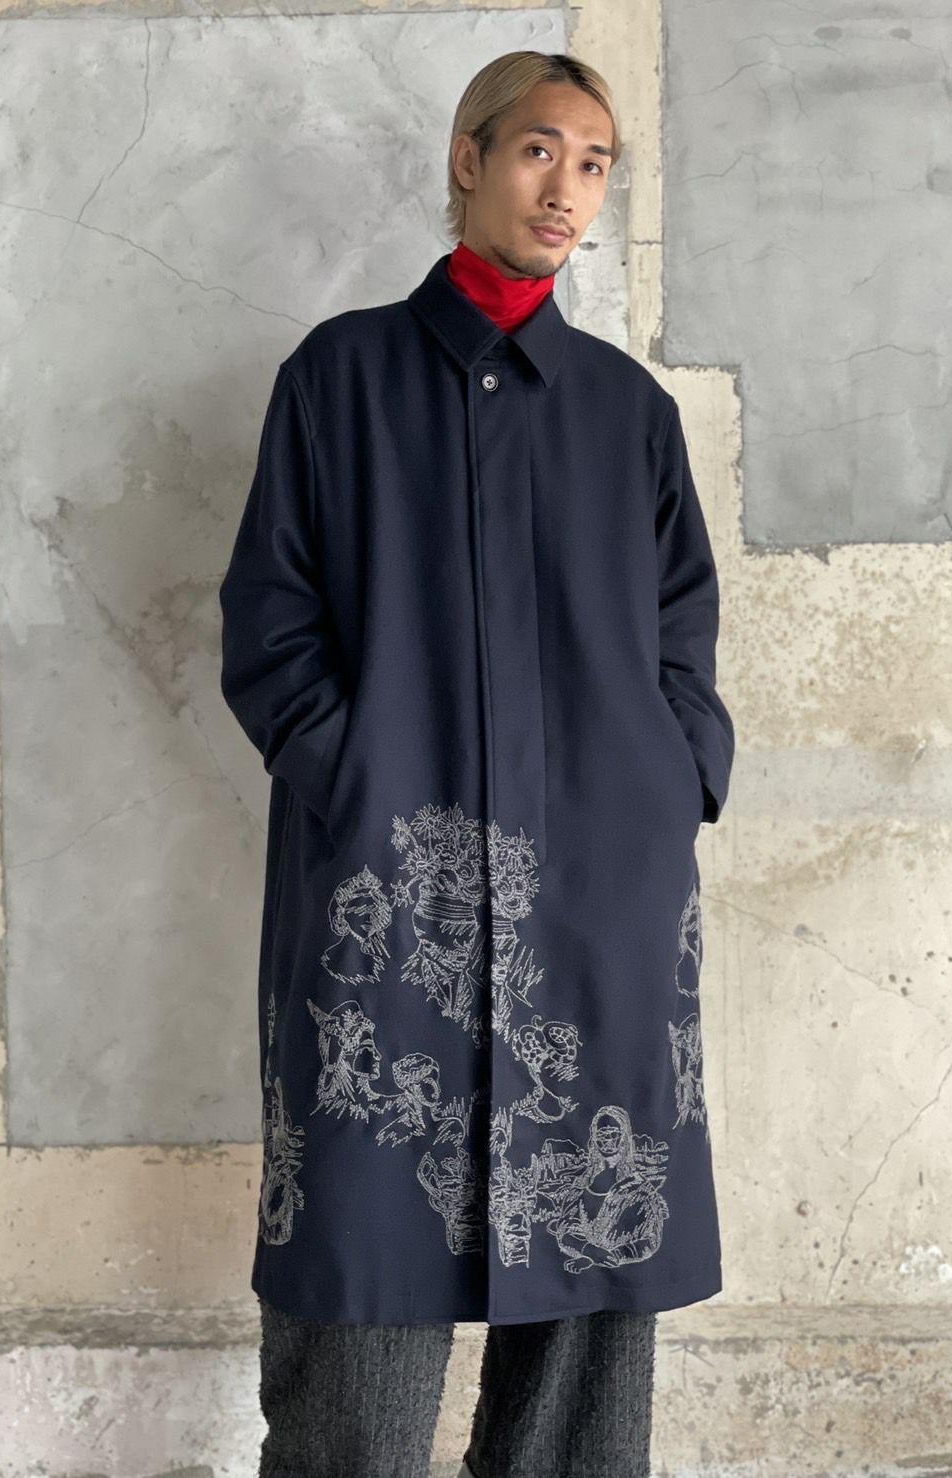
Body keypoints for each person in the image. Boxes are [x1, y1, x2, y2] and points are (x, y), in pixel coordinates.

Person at [219, 47, 735, 1478]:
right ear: (469, 160)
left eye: (595, 164)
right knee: (362, 1260)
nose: (566, 189)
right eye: (539, 151)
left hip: (601, 895)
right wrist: (359, 779)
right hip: (394, 895)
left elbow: (683, 633)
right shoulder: (339, 380)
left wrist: (674, 781)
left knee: (591, 1253)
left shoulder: (629, 412)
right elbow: (269, 625)